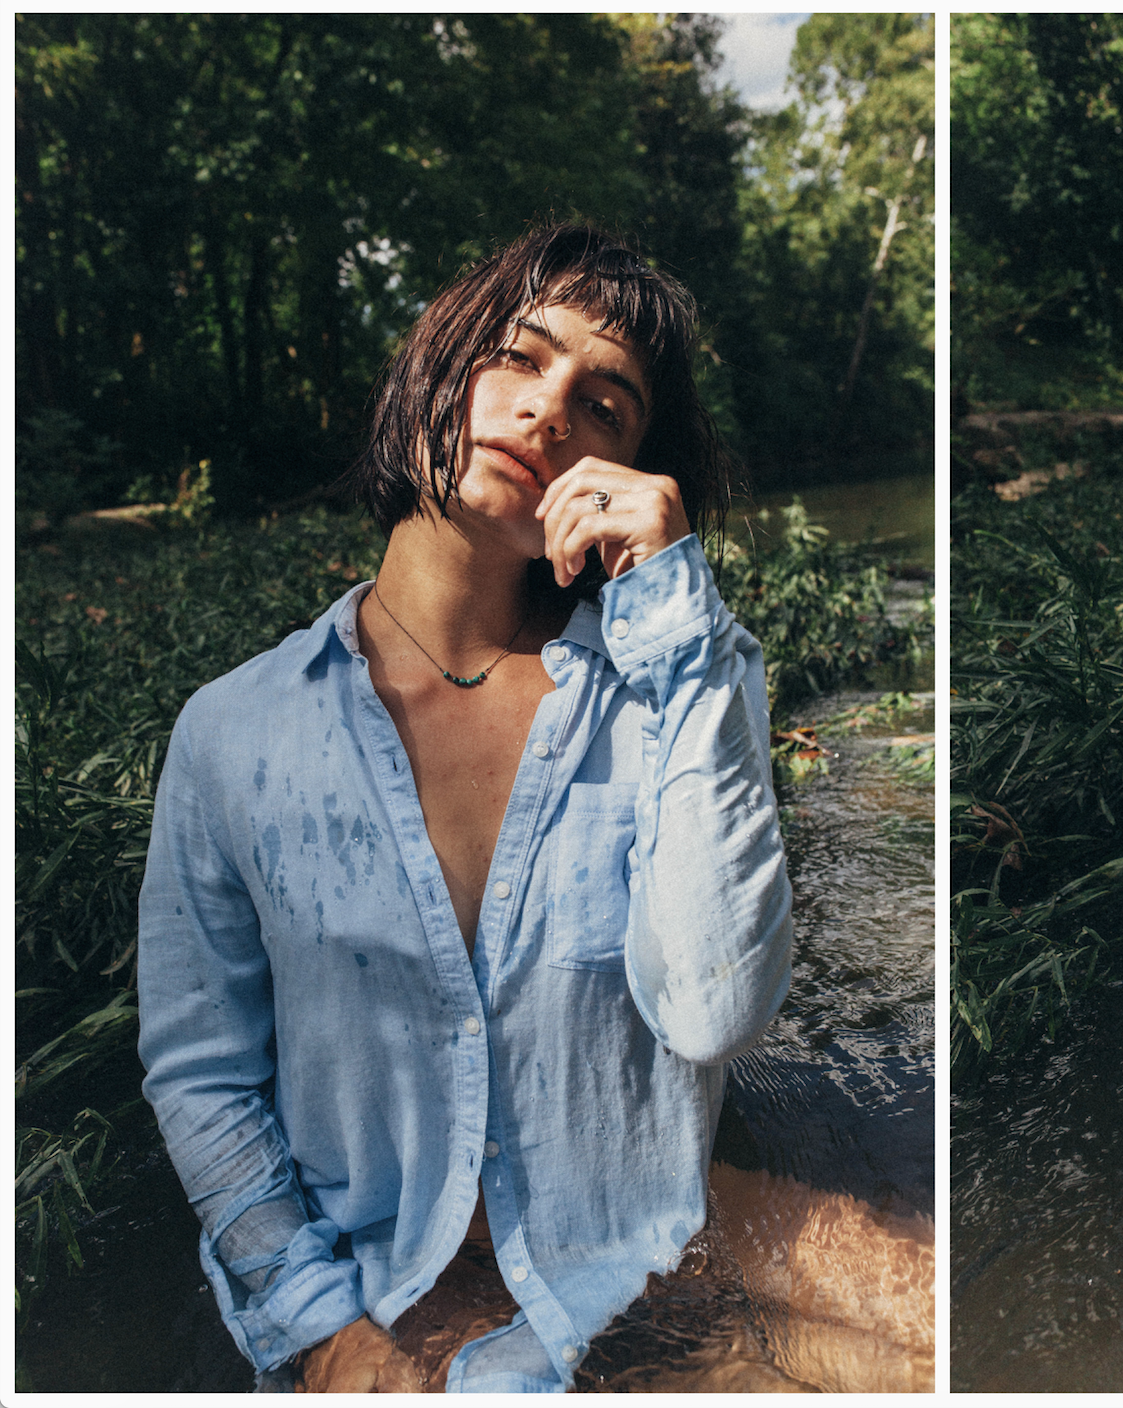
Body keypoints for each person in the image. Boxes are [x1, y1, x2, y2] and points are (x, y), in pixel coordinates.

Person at [138, 224, 804, 1392]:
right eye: (519, 358)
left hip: (645, 1283)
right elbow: (204, 1077)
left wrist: (678, 619)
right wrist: (326, 1334)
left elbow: (715, 1010)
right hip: (382, 1303)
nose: (552, 412)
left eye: (606, 406)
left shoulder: (671, 686)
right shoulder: (231, 735)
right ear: (431, 373)